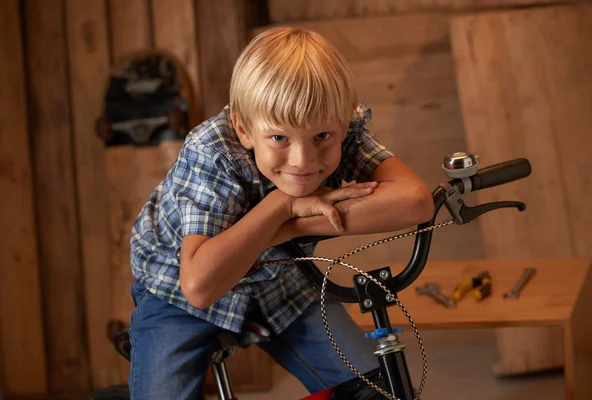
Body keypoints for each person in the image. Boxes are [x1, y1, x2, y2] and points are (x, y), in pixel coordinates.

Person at [127, 26, 434, 399]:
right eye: (279, 138)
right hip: (174, 287)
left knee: (376, 390)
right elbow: (198, 286)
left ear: (341, 124)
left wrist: (285, 229)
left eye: (322, 137)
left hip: (281, 279)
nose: (303, 161)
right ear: (242, 128)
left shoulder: (339, 122)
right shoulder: (211, 151)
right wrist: (281, 206)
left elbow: (415, 201)